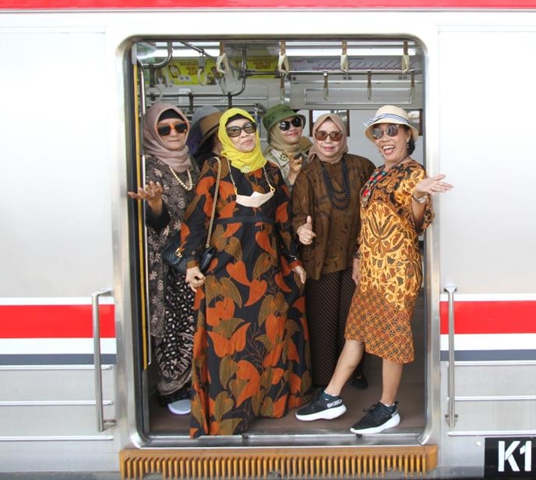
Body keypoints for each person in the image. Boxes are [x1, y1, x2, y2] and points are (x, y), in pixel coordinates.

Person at [295, 105, 453, 434]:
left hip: (396, 272)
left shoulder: (414, 173)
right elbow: (366, 222)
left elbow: (416, 224)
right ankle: (331, 397)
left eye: (392, 131)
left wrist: (419, 196)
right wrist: (359, 256)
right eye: (379, 133)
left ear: (408, 135)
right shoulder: (378, 172)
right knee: (355, 334)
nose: (384, 139)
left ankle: (387, 407)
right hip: (370, 270)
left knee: (389, 341)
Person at [181, 107, 312, 438]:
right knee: (229, 345)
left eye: (248, 128)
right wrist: (192, 262)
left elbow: (283, 219)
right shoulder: (216, 167)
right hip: (226, 274)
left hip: (266, 269)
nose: (243, 135)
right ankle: (230, 415)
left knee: (268, 336)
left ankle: (268, 404)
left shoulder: (270, 171)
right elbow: (197, 216)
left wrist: (294, 260)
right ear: (225, 136)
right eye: (235, 131)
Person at [291, 113, 376, 391]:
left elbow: (374, 214)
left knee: (352, 321)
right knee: (324, 321)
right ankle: (325, 378)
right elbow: (297, 214)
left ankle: (355, 372)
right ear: (314, 138)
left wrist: (362, 254)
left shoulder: (362, 167)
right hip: (320, 258)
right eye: (322, 135)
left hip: (356, 258)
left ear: (344, 137)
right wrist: (301, 231)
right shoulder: (307, 173)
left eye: (335, 134)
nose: (328, 141)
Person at [127, 102, 198, 416]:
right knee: (173, 323)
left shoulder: (191, 164)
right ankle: (171, 389)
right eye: (164, 128)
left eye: (180, 127)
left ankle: (193, 382)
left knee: (194, 323)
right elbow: (155, 222)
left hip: (193, 258)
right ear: (152, 132)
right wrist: (155, 202)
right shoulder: (149, 167)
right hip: (167, 263)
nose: (173, 133)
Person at [262, 104, 312, 191]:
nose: (293, 128)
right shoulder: (268, 163)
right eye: (284, 125)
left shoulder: (304, 154)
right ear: (274, 132)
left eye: (296, 122)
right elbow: (271, 200)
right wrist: (290, 179)